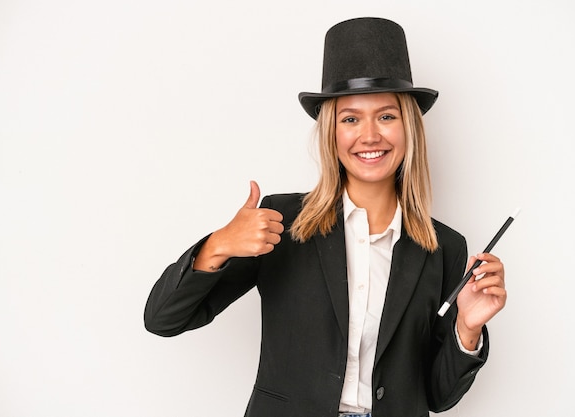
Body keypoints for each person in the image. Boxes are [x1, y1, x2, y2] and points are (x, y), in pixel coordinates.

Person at [144, 17, 507, 417]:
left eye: (387, 116)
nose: (370, 135)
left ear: (409, 129)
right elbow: (163, 319)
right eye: (350, 119)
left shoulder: (444, 248)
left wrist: (467, 329)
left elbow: (437, 398)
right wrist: (218, 245)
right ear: (331, 132)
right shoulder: (281, 221)